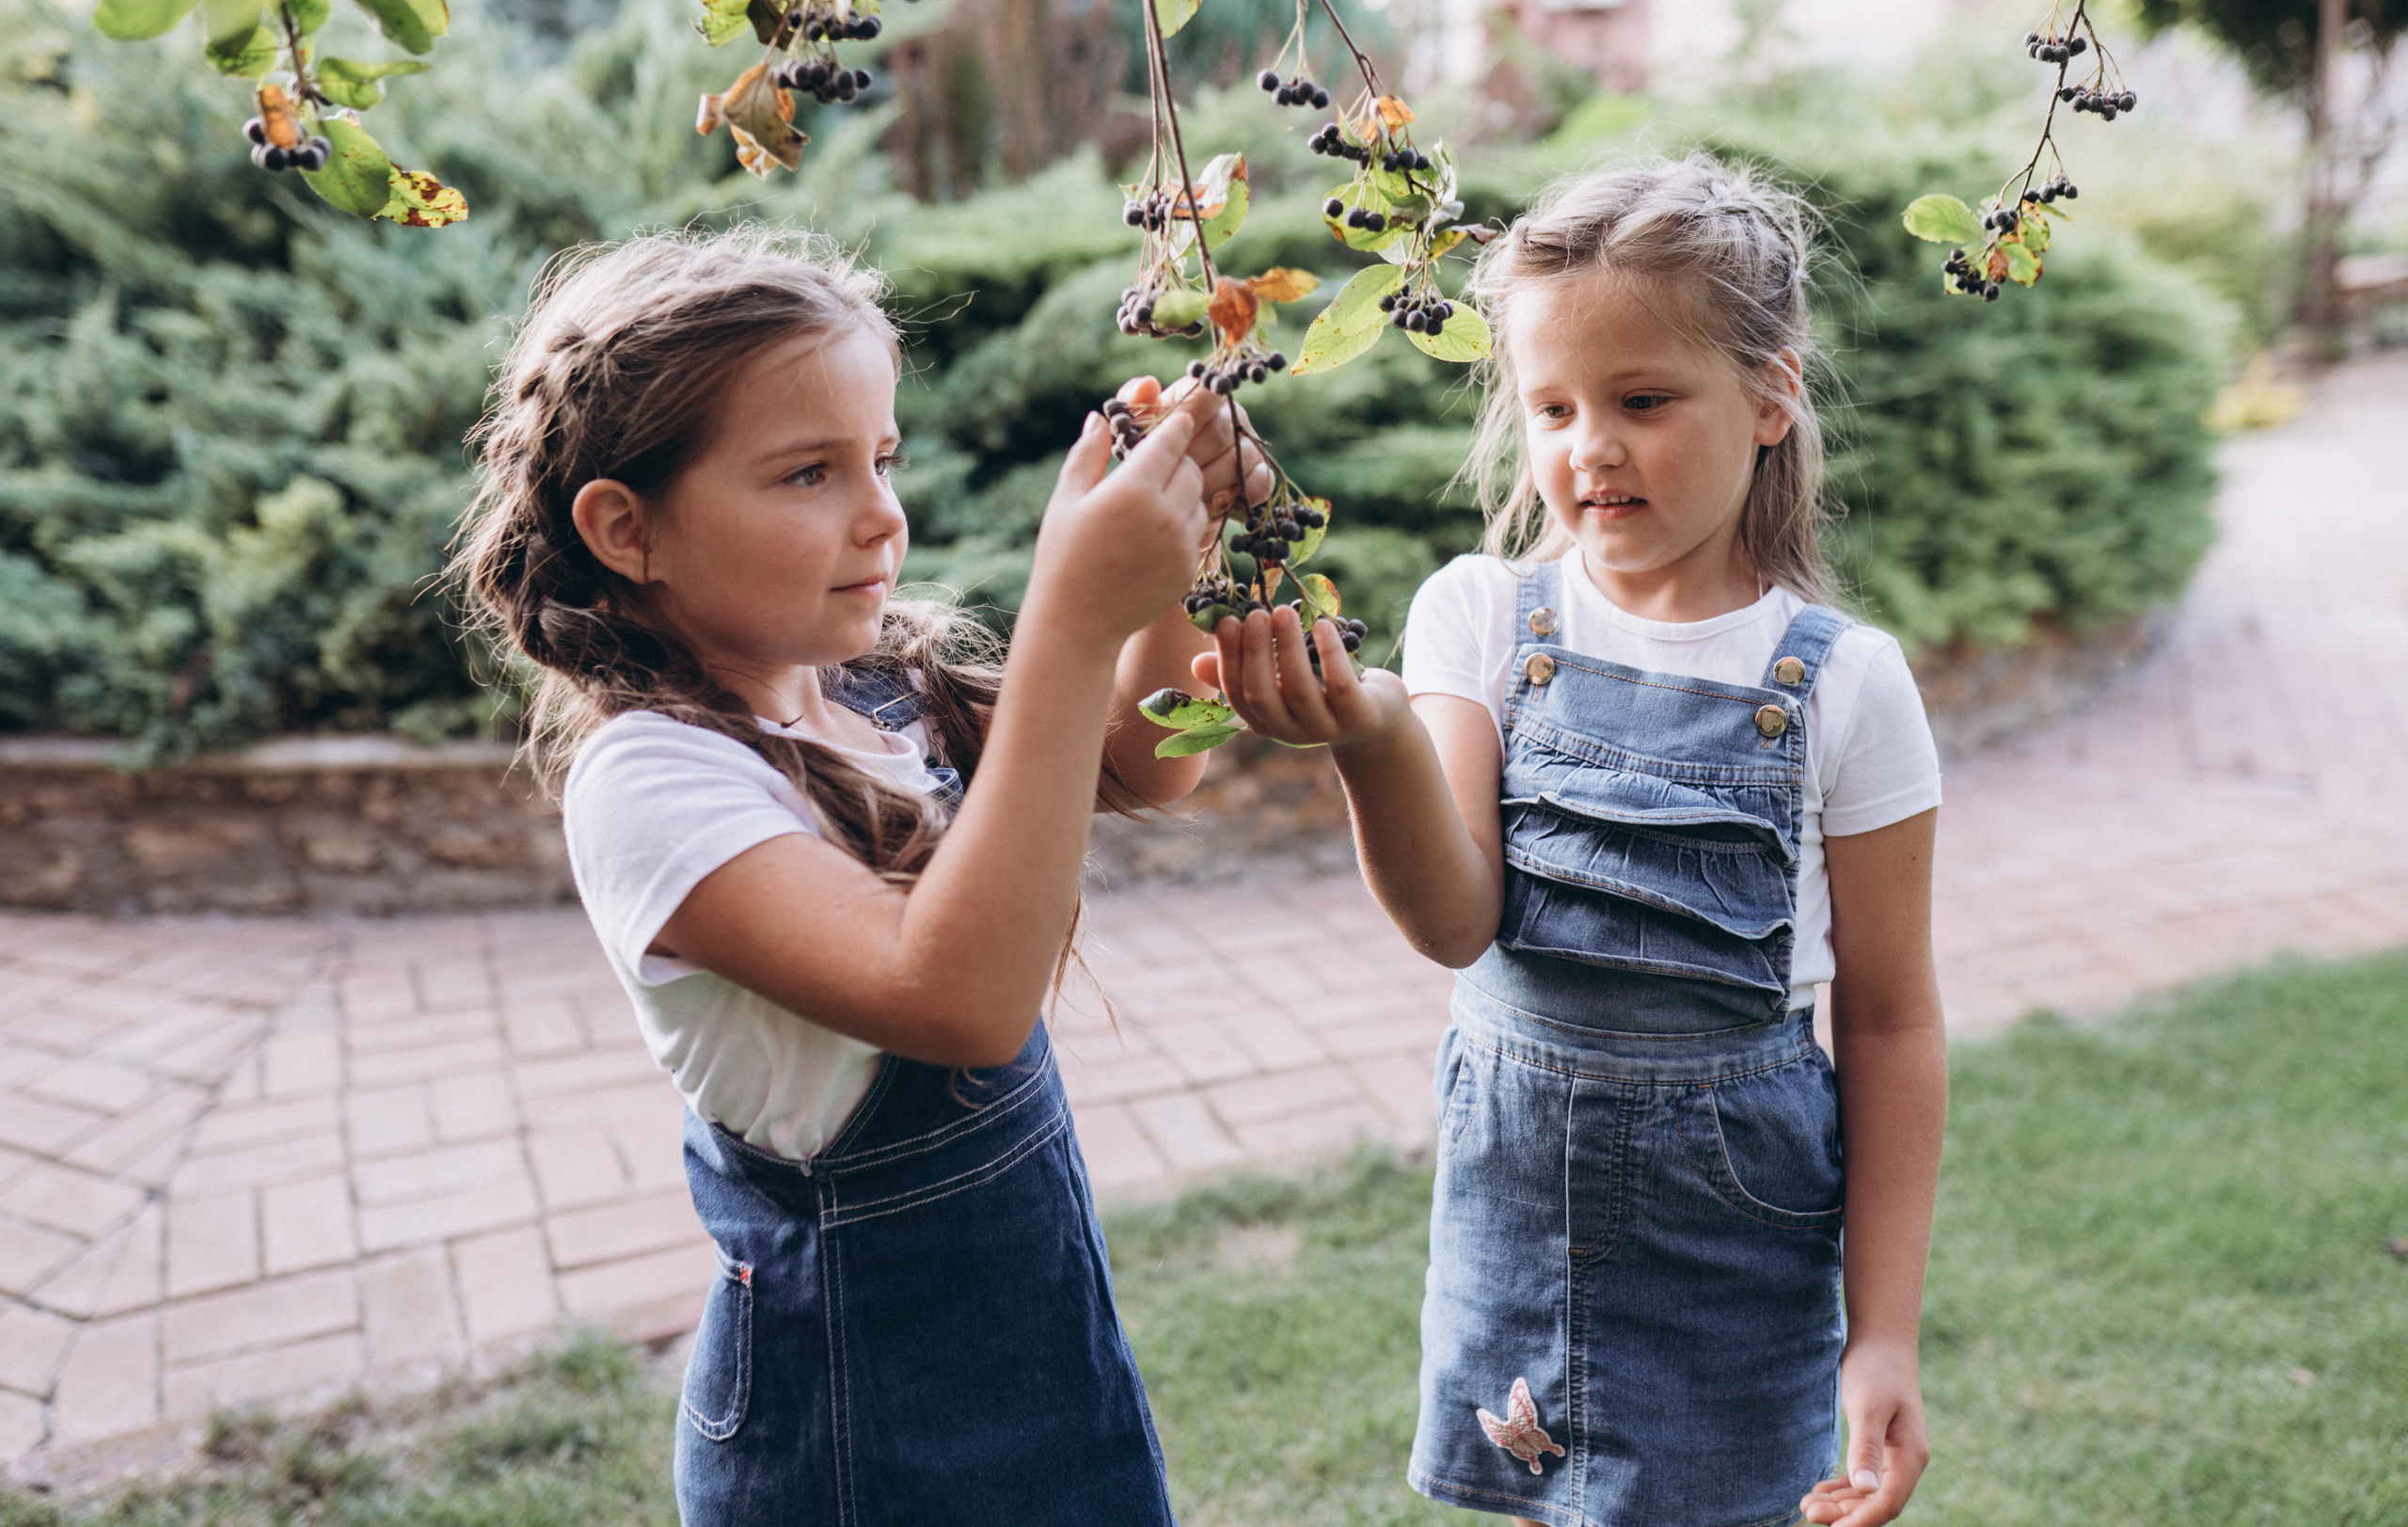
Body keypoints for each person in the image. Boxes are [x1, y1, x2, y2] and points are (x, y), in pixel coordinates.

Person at [452, 227, 1259, 1525]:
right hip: (850, 1440)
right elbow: (960, 999)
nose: (881, 513)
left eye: (882, 459)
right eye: (808, 473)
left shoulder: (875, 695)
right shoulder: (651, 783)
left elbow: (1144, 761)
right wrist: (1073, 614)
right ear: (627, 528)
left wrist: (1169, 558)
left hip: (1045, 1370)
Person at [1195, 157, 1947, 1527]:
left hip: (1736, 1236)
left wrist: (1884, 1333)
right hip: (1518, 1204)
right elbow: (1454, 922)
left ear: (1771, 397)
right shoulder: (1481, 616)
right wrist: (1369, 742)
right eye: (1554, 408)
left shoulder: (1847, 682)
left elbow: (1892, 1021)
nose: (1590, 446)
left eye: (1642, 401)